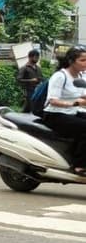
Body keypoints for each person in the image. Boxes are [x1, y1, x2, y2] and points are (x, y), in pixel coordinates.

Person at [42, 45, 86, 173]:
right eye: (82, 60)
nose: (85, 63)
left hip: (71, 113)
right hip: (54, 114)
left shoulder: (81, 76)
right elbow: (53, 100)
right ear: (71, 62)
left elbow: (81, 94)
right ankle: (80, 165)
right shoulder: (60, 76)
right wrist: (75, 104)